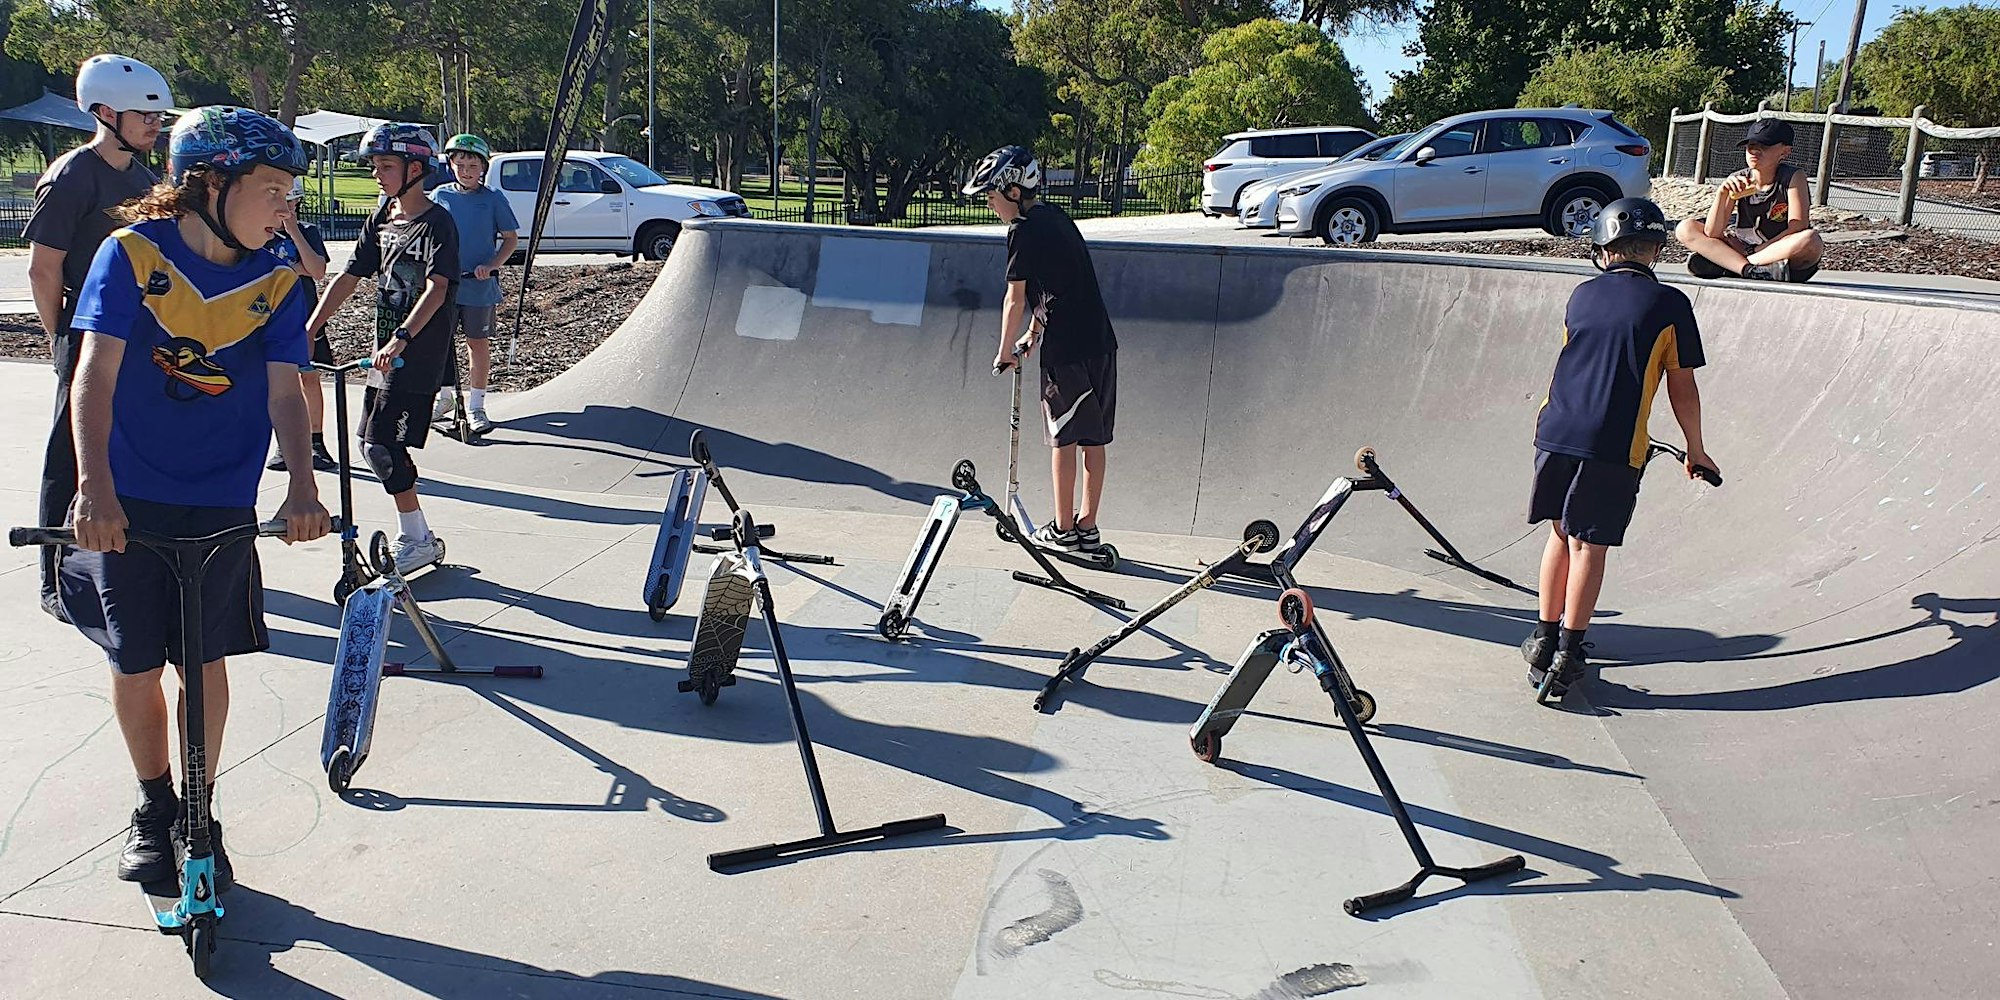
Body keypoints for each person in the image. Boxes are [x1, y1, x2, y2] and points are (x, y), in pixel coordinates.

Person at [62, 105, 331, 889]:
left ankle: (197, 805)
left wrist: (305, 488)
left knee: (204, 657)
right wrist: (93, 491)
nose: (287, 207)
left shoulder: (277, 274)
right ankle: (152, 805)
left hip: (220, 498)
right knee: (137, 658)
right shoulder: (134, 255)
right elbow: (95, 376)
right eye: (274, 189)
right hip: (126, 493)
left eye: (290, 192)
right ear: (210, 182)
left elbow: (288, 391)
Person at [1523, 198, 1718, 700]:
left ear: (1604, 249)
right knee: (1591, 544)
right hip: (1612, 440)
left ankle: (1542, 638)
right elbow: (1682, 387)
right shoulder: (1670, 304)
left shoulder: (1580, 296)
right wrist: (1696, 448)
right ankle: (1569, 650)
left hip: (1555, 429)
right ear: (1655, 250)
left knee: (1561, 533)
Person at [27, 54, 173, 621]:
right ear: (105, 112)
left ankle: (121, 552)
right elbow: (45, 269)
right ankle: (52, 574)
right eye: (144, 117)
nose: (153, 126)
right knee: (70, 451)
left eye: (159, 119)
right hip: (83, 332)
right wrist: (59, 340)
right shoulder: (73, 174)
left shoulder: (143, 178)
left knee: (124, 442)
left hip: (133, 333)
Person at [305, 123, 459, 573]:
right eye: (374, 166)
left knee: (382, 447)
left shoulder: (436, 223)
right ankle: (419, 535)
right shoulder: (382, 218)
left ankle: (419, 540)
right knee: (370, 445)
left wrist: (401, 338)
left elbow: (438, 288)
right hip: (383, 354)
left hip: (415, 354)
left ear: (416, 169)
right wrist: (312, 326)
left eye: (386, 166)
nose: (377, 174)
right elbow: (350, 275)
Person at [965, 145, 1118, 555]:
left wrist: (1003, 352)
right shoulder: (1057, 219)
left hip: (1067, 352)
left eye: (992, 196)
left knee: (1062, 438)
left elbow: (1015, 297)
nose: (992, 205)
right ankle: (1088, 526)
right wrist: (1032, 334)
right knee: (1094, 440)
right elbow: (1057, 289)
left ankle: (1063, 529)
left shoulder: (1021, 231)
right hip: (1101, 344)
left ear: (1013, 192)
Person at [427, 133, 519, 435]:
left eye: (472, 165)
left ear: (483, 168)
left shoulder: (492, 198)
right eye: (459, 164)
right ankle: (446, 398)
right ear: (451, 165)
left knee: (476, 344)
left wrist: (492, 265)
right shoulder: (441, 195)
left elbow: (509, 239)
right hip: (445, 284)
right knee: (440, 342)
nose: (465, 171)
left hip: (478, 286)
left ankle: (477, 403)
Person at [1674, 118, 1824, 283]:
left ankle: (1730, 265)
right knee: (1685, 228)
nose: (1755, 151)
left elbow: (1797, 227)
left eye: (1764, 146)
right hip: (1745, 250)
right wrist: (1722, 194)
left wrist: (1753, 251)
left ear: (1785, 151)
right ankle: (1747, 269)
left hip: (1782, 256)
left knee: (1810, 240)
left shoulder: (1793, 177)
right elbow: (1713, 233)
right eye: (1751, 146)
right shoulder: (1738, 179)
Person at [265, 176, 336, 471]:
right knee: (279, 382)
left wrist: (293, 232)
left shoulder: (307, 232)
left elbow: (317, 270)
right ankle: (284, 443)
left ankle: (316, 440)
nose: (285, 207)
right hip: (269, 319)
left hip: (304, 316)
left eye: (290, 202)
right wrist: (295, 269)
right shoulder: (261, 232)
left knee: (309, 377)